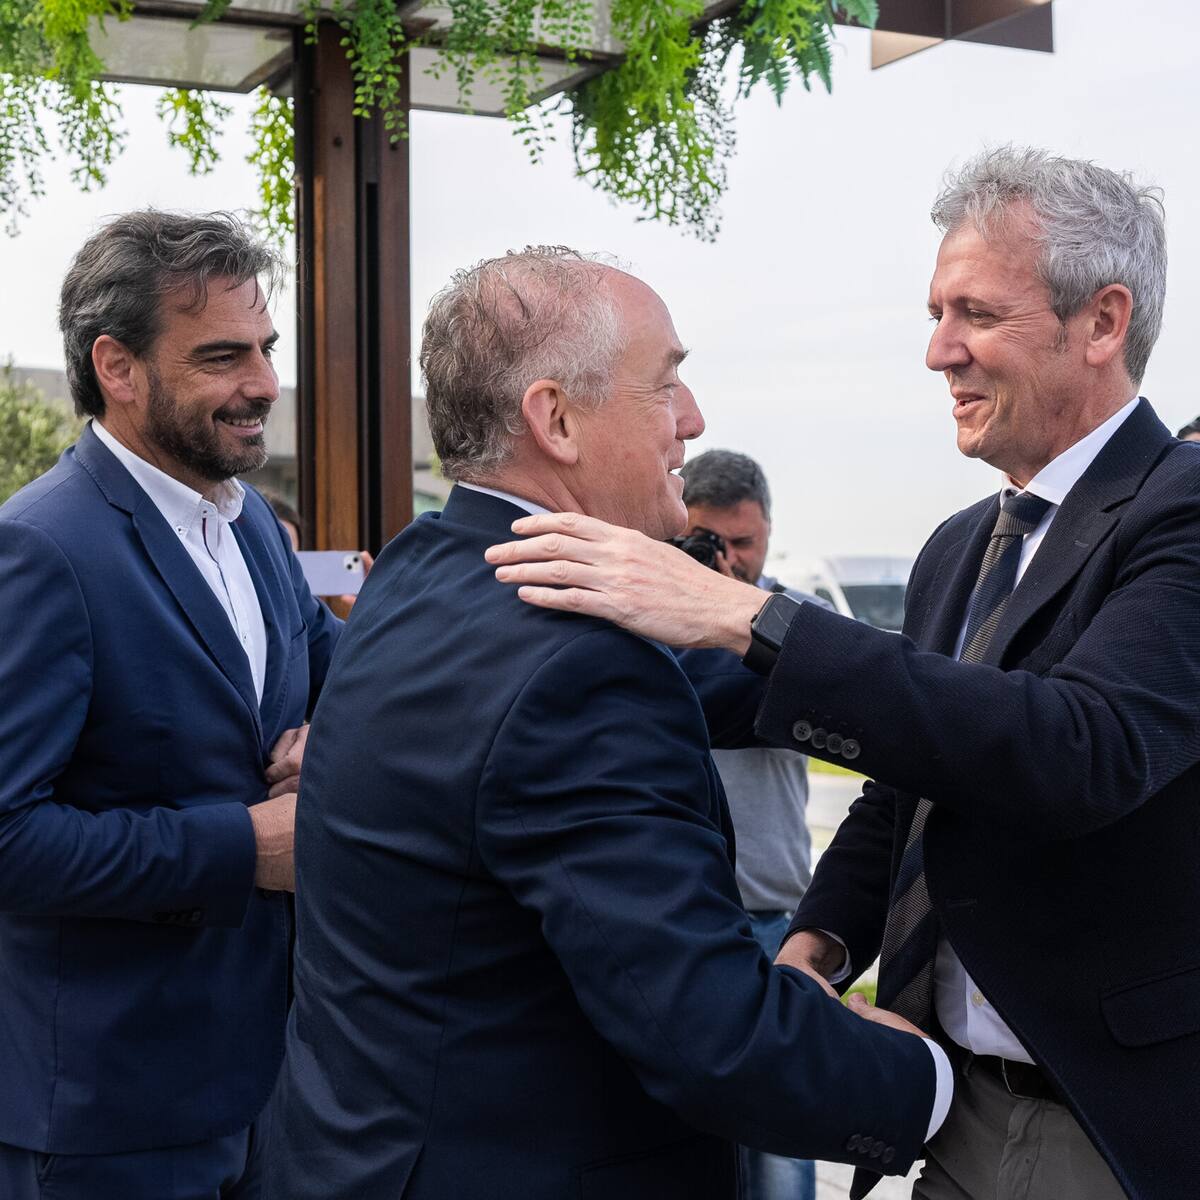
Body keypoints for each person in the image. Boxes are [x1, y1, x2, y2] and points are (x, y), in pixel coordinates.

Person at [486, 148, 1200, 1200]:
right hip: (954, 1114)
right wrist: (818, 944)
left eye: (976, 315)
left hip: (1104, 1120)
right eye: (934, 312)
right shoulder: (963, 545)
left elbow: (1076, 749)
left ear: (1101, 322)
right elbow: (912, 784)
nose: (937, 351)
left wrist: (746, 619)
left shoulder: (1181, 514)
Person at [266, 247, 951, 1200]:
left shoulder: (423, 572)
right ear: (555, 419)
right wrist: (937, 1089)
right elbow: (710, 1037)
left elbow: (716, 691)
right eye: (665, 382)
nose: (694, 420)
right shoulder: (578, 667)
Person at [0, 211, 342, 1199]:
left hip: (270, 1093)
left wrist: (335, 739)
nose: (267, 384)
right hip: (104, 1122)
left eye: (267, 350)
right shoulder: (41, 550)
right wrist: (248, 845)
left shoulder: (259, 538)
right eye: (223, 357)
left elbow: (347, 679)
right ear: (119, 365)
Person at [679, 448, 826, 1200]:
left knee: (777, 1141)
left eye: (745, 543)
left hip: (771, 912)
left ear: (767, 530)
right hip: (683, 915)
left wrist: (734, 621)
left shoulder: (805, 630)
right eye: (713, 542)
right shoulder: (653, 619)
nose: (731, 559)